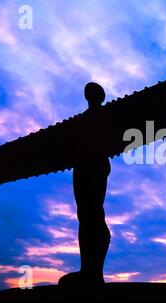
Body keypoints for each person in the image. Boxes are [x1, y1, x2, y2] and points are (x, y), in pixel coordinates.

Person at [58, 82, 111, 286]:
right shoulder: (81, 120)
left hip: (95, 165)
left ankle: (94, 272)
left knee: (94, 213)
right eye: (88, 91)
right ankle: (88, 269)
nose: (90, 93)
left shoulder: (107, 115)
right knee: (85, 214)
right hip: (82, 166)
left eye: (94, 91)